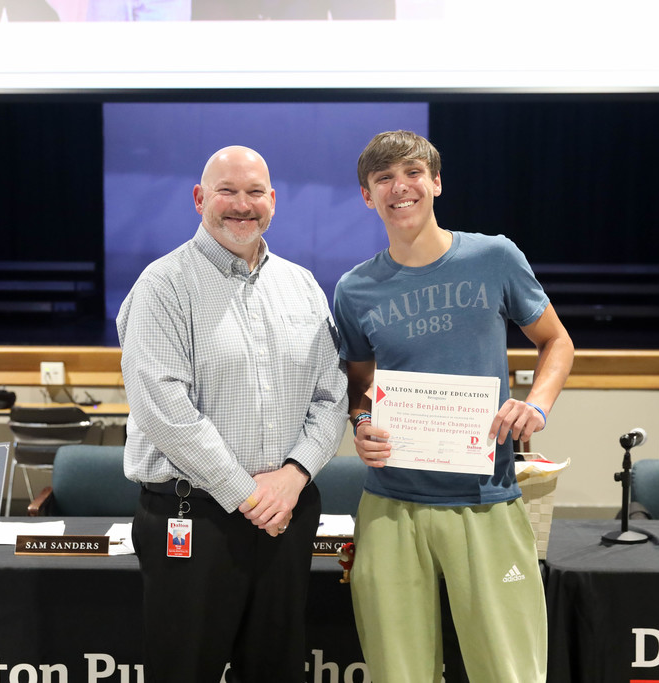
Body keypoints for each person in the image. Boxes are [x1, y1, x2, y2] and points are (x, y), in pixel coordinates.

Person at [332, 130, 574, 683]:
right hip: (392, 505)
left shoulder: (493, 256)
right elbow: (359, 384)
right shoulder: (355, 289)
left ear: (436, 182)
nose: (401, 188)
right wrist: (362, 421)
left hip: (485, 496)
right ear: (368, 196)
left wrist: (535, 407)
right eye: (384, 179)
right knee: (399, 673)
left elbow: (557, 341)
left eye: (413, 173)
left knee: (508, 671)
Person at [117, 145, 348, 682]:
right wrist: (248, 494)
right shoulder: (163, 285)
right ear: (200, 199)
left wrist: (293, 477)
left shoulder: (303, 286)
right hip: (193, 519)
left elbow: (332, 393)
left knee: (277, 670)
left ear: (273, 201)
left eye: (254, 193)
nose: (241, 205)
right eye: (227, 191)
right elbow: (165, 410)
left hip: (285, 518)